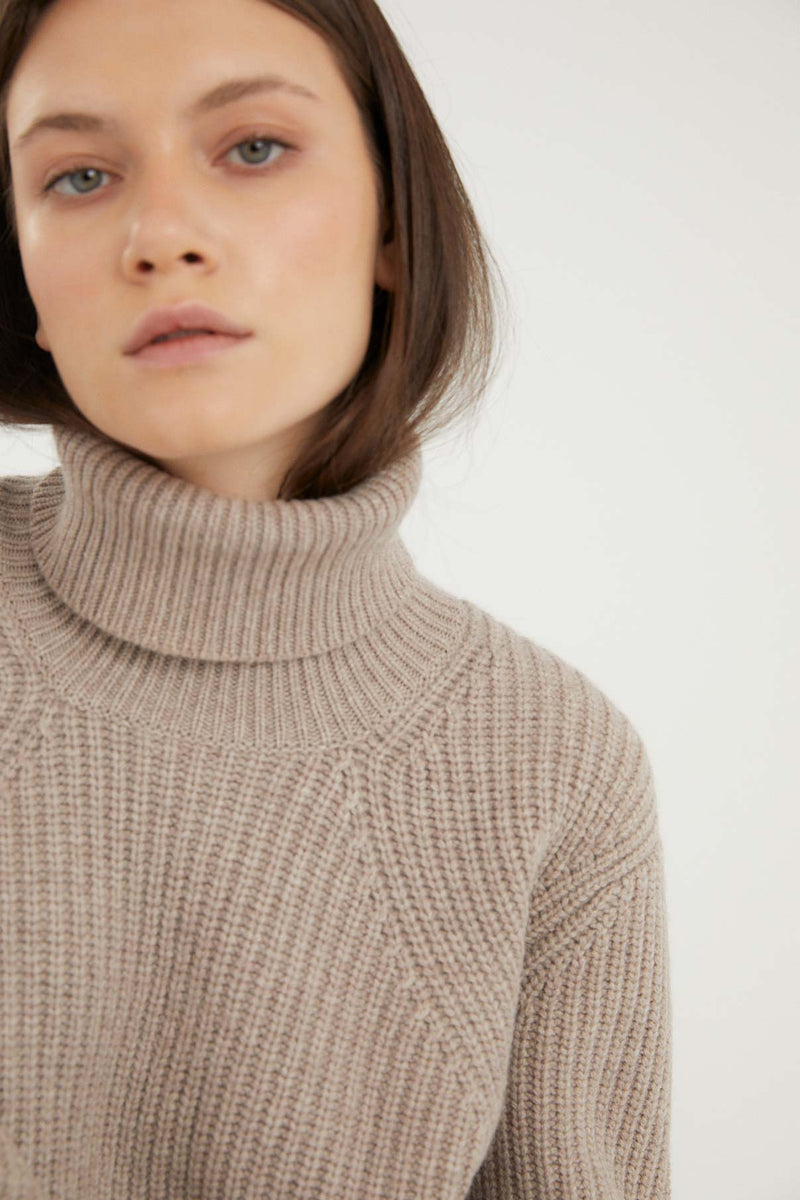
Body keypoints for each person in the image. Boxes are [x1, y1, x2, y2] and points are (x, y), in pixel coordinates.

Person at [0, 0, 672, 1197]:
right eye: (80, 176)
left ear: (393, 227)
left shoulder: (548, 766)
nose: (161, 236)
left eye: (254, 148)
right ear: (24, 282)